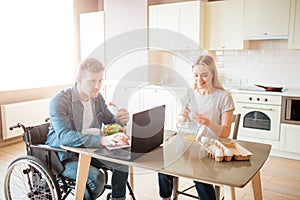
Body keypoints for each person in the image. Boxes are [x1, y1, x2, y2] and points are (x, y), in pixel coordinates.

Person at [46, 58, 130, 200]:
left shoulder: (97, 98)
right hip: (64, 156)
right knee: (96, 179)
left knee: (122, 161)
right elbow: (65, 137)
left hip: (90, 150)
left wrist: (120, 121)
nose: (97, 86)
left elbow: (110, 122)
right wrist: (102, 140)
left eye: (100, 81)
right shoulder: (59, 100)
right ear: (79, 79)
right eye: (92, 81)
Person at [158, 54, 235, 200]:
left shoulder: (224, 97)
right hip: (189, 144)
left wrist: (207, 122)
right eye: (195, 75)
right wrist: (182, 118)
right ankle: (166, 198)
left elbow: (225, 133)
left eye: (204, 75)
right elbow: (182, 120)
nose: (199, 80)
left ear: (213, 74)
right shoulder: (190, 93)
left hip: (211, 147)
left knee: (198, 174)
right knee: (163, 163)